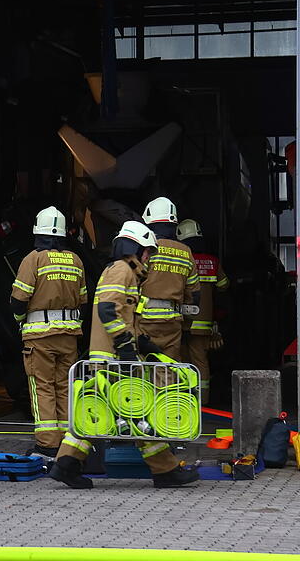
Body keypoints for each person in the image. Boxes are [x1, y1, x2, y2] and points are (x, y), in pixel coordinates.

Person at [48, 221, 200, 489]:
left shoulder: (123, 272)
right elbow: (108, 310)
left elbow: (123, 315)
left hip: (109, 357)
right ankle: (165, 471)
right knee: (139, 411)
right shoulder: (122, 271)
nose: (150, 259)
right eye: (148, 253)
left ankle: (66, 465)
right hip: (114, 358)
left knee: (99, 414)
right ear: (137, 249)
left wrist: (144, 345)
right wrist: (126, 347)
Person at [10, 207, 87, 458]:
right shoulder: (76, 260)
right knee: (65, 387)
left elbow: (18, 301)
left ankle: (46, 444)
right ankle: (67, 444)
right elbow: (84, 302)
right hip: (69, 336)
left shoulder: (33, 259)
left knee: (42, 387)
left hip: (39, 337)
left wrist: (20, 321)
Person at [139, 197, 200, 361]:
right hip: (173, 324)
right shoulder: (186, 251)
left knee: (140, 373)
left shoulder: (145, 249)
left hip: (143, 323)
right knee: (168, 372)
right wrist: (186, 326)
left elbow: (129, 284)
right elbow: (194, 295)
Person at [176, 219, 229, 404]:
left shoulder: (182, 259)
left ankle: (182, 400)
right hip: (204, 324)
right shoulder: (213, 262)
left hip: (182, 320)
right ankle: (203, 402)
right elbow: (224, 286)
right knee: (200, 361)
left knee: (181, 360)